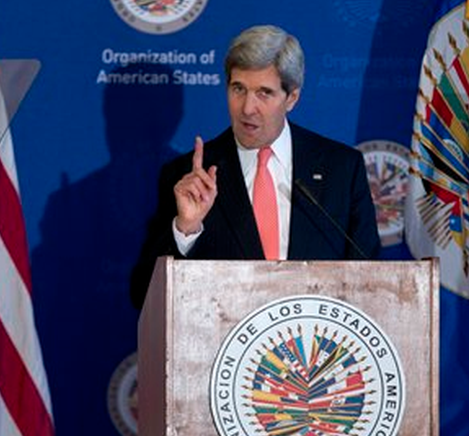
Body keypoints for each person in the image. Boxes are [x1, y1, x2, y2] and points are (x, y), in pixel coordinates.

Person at [130, 24, 379, 308]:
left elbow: (372, 283)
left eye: (264, 93)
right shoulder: (187, 176)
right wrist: (186, 228)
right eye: (239, 89)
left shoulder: (342, 169)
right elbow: (144, 296)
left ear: (292, 98)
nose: (247, 108)